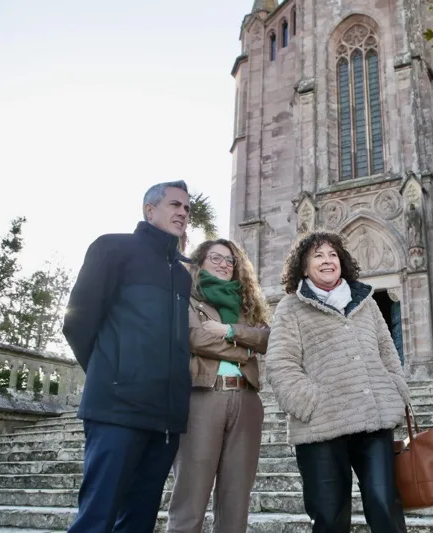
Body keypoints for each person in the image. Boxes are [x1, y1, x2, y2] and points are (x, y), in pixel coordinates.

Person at [63, 180, 193, 533]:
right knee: (96, 518)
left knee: (138, 522)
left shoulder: (183, 276)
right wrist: (114, 374)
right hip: (116, 409)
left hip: (165, 418)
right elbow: (78, 323)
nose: (182, 212)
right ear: (150, 210)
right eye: (174, 205)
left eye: (186, 208)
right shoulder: (112, 248)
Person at [265, 230, 410, 533]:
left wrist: (395, 389)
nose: (327, 260)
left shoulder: (367, 302)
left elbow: (387, 351)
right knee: (330, 517)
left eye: (333, 254)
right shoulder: (290, 307)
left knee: (386, 509)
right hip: (322, 426)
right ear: (304, 267)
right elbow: (281, 364)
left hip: (374, 420)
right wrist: (310, 403)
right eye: (318, 255)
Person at [167, 238, 270, 533]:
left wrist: (228, 330)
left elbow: (267, 338)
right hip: (203, 396)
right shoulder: (187, 297)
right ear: (200, 262)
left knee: (236, 495)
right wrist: (244, 349)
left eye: (230, 260)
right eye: (216, 258)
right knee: (192, 490)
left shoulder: (247, 304)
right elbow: (195, 338)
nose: (224, 265)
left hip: (247, 399)